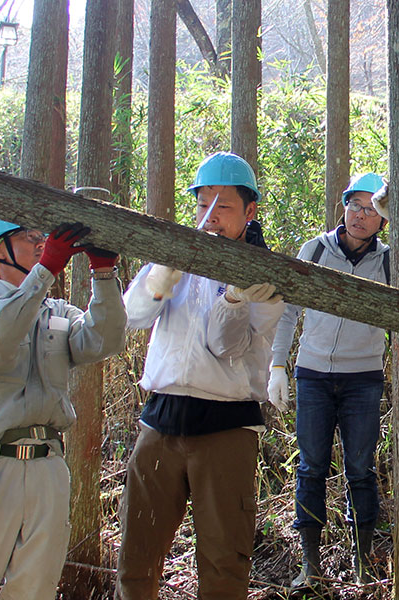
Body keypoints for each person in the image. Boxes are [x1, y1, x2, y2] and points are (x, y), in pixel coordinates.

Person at [115, 152, 284, 600]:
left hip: (225, 427)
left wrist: (234, 295)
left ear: (249, 212)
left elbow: (225, 346)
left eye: (222, 206)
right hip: (160, 422)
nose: (209, 216)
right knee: (137, 556)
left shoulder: (265, 280)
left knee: (224, 562)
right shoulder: (176, 254)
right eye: (202, 203)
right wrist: (160, 277)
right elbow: (130, 316)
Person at [0, 217, 126, 599]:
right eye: (27, 237)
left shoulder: (56, 312)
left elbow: (103, 341)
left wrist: (103, 274)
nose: (39, 243)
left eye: (41, 237)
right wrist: (46, 270)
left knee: (36, 587)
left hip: (48, 466)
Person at [268, 173, 392, 589]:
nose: (360, 215)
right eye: (354, 205)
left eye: (371, 208)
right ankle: (310, 565)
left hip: (363, 378)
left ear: (383, 219)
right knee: (311, 467)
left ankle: (362, 561)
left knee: (360, 469)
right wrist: (278, 366)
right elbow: (288, 311)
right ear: (343, 207)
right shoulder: (316, 250)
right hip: (314, 375)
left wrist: (398, 216)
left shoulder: (390, 260)